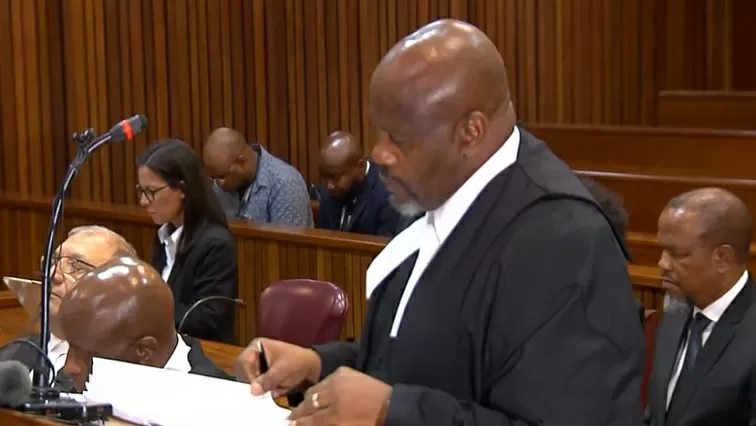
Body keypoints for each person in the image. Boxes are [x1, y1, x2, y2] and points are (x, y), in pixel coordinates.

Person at [235, 19, 644, 426]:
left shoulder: (564, 241)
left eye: (399, 138)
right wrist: (317, 364)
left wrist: (390, 411)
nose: (379, 154)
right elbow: (421, 361)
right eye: (380, 132)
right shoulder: (438, 193)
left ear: (471, 131)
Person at [645, 188, 755, 426]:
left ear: (722, 258)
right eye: (663, 250)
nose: (662, 263)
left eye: (678, 254)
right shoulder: (675, 314)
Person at [58, 257, 230, 392]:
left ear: (144, 351)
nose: (68, 368)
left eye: (86, 355)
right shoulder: (66, 384)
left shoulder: (217, 404)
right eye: (70, 346)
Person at [0, 226, 137, 379]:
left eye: (76, 266)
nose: (52, 274)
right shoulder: (11, 354)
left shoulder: (123, 371)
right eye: (53, 261)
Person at [137, 139, 238, 344]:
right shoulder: (163, 234)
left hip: (202, 352)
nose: (143, 201)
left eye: (152, 192)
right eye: (141, 190)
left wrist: (145, 309)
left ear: (183, 189)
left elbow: (206, 319)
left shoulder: (216, 244)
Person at [203, 127, 313, 227]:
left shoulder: (285, 184)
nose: (219, 184)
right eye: (213, 178)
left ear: (241, 162)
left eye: (222, 177)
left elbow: (288, 241)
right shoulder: (220, 181)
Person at [317, 131, 399, 237]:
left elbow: (386, 243)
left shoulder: (388, 192)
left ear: (360, 166)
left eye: (335, 178)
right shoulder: (330, 192)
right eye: (324, 176)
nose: (329, 185)